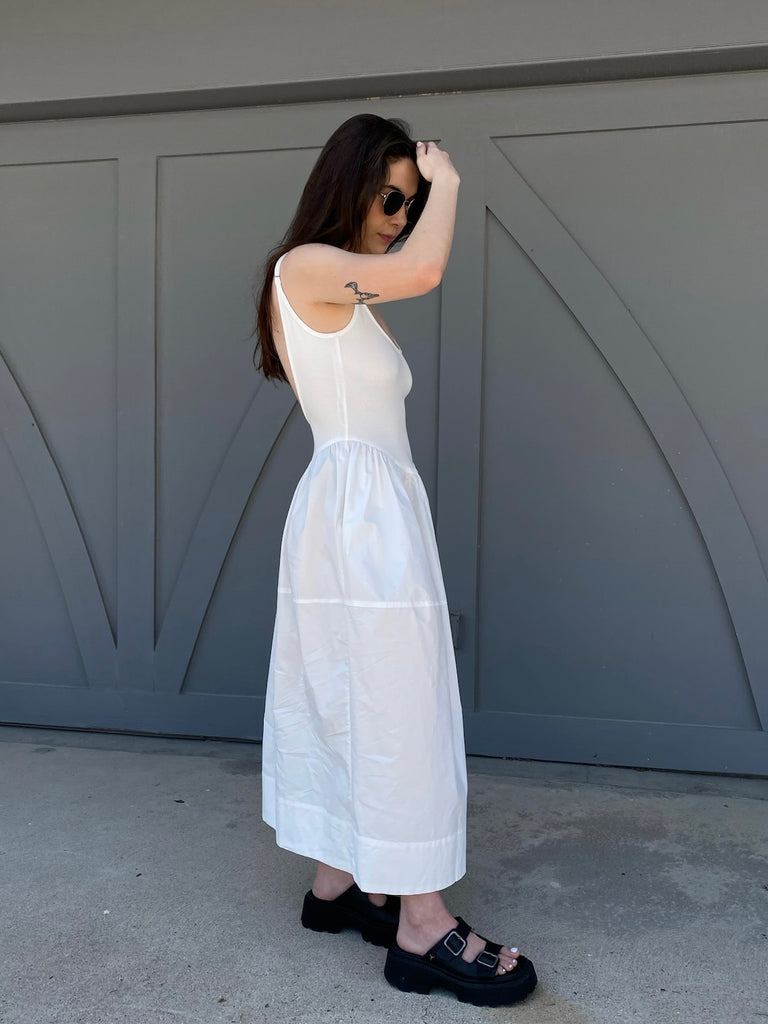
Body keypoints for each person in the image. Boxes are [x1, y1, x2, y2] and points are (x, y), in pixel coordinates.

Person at [255, 113, 536, 1007]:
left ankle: (337, 882)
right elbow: (424, 270)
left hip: (367, 513)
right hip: (356, 518)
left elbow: (398, 275)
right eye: (389, 198)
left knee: (355, 688)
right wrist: (448, 180)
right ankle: (420, 922)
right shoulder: (304, 267)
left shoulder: (346, 290)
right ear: (345, 185)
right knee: (395, 700)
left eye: (409, 204)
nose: (398, 216)